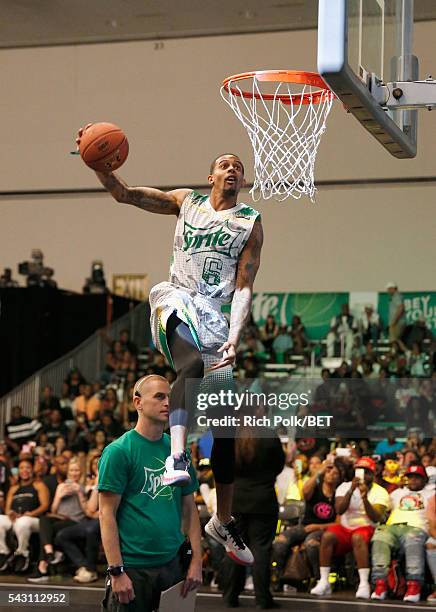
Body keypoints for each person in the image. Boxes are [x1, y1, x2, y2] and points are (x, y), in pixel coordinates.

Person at [77, 125, 262, 564]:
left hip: (217, 317)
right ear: (210, 176)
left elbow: (244, 286)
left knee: (225, 433)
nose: (231, 168)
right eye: (224, 164)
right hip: (176, 299)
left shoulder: (249, 223)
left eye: (238, 166)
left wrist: (235, 335)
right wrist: (102, 168)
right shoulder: (188, 202)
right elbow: (125, 194)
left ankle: (223, 519)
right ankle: (178, 456)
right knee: (190, 365)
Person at [98, 374, 202, 611]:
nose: (168, 403)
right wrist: (116, 571)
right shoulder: (119, 451)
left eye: (170, 397)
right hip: (133, 568)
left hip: (172, 565)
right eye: (159, 397)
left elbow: (190, 508)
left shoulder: (177, 448)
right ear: (137, 403)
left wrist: (196, 560)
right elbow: (106, 515)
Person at [221, 404, 285, 609]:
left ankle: (230, 596)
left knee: (235, 548)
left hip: (235, 500)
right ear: (257, 412)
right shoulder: (268, 435)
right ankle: (263, 599)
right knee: (261, 550)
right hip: (263, 500)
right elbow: (279, 466)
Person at [310, 456, 390, 599]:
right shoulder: (344, 486)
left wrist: (365, 497)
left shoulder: (380, 492)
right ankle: (324, 581)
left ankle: (364, 583)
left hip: (367, 528)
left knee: (358, 537)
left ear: (373, 474)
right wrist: (351, 491)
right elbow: (340, 510)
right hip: (346, 528)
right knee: (328, 536)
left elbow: (376, 517)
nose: (363, 475)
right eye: (360, 471)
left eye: (367, 472)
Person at [371, 464, 434, 602]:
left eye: (417, 478)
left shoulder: (431, 494)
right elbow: (383, 511)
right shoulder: (396, 493)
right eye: (410, 477)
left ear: (425, 480)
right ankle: (380, 584)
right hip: (392, 527)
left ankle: (414, 585)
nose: (413, 481)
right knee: (380, 535)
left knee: (413, 539)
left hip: (416, 528)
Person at [272, 460, 342, 585]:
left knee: (311, 544)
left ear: (339, 478)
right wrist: (319, 471)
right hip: (304, 526)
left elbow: (339, 523)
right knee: (280, 542)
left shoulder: (339, 494)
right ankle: (280, 576)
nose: (331, 474)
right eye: (328, 471)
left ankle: (317, 579)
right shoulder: (315, 488)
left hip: (324, 530)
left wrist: (318, 526)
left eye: (335, 473)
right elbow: (304, 492)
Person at [0, 458, 50, 573]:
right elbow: (7, 508)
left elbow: (45, 505)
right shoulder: (14, 488)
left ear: (32, 469)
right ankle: (3, 552)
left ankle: (22, 553)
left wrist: (31, 513)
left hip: (34, 520)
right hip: (15, 519)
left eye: (27, 467)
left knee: (23, 522)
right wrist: (10, 513)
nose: (24, 470)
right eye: (21, 468)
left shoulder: (39, 485)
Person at [386, 282, 407, 351]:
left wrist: (394, 321)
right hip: (394, 322)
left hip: (397, 322)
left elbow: (400, 308)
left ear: (393, 289)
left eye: (389, 289)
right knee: (393, 340)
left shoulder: (397, 296)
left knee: (395, 338)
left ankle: (406, 351)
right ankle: (395, 352)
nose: (388, 291)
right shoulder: (393, 297)